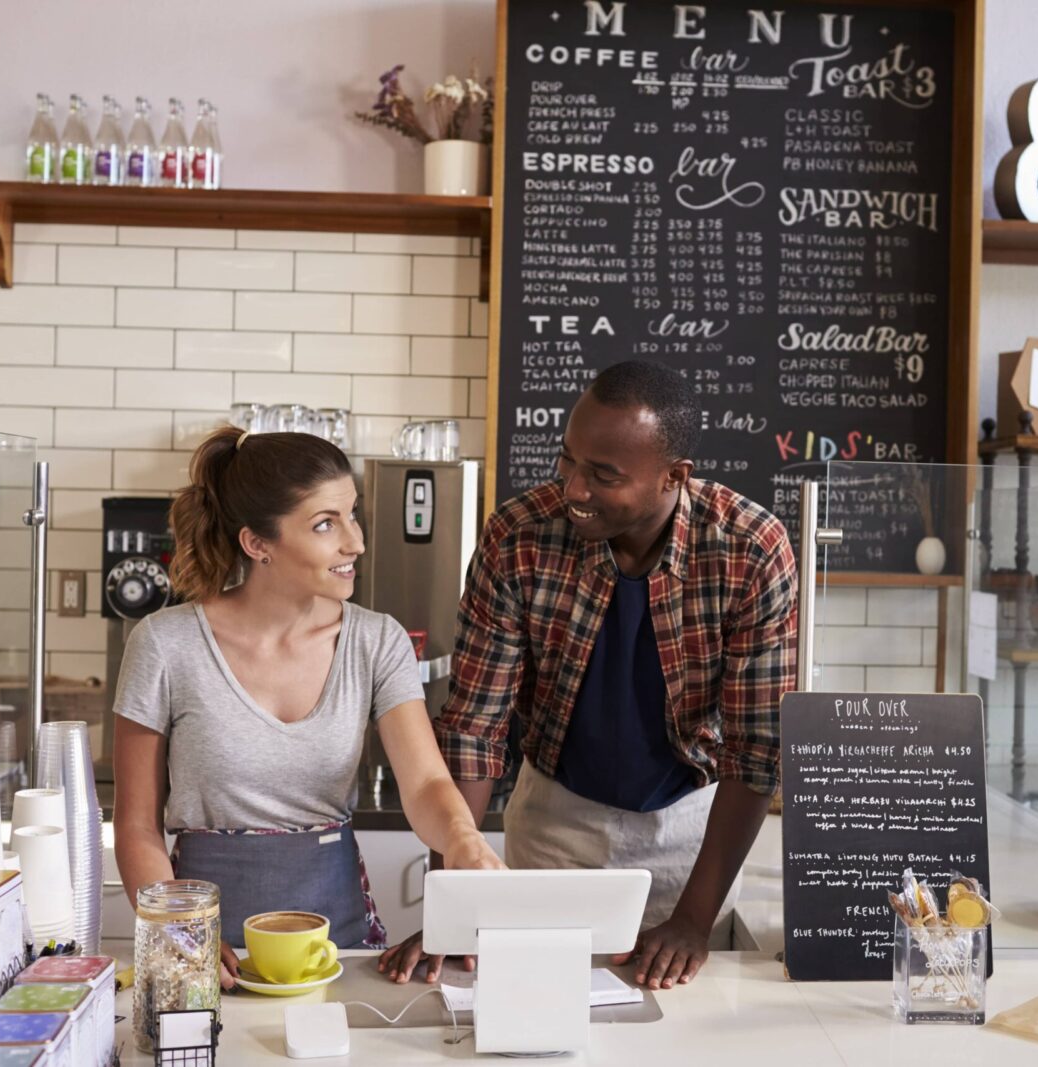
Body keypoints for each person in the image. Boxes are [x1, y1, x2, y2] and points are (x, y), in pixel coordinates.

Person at [382, 360, 798, 989]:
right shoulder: (519, 536)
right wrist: (455, 909)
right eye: (568, 460)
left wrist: (692, 919)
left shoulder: (750, 548)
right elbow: (474, 728)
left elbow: (754, 754)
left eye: (604, 475)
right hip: (555, 821)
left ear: (674, 478)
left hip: (690, 831)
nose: (574, 489)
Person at [114, 426, 502, 989]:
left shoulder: (377, 641)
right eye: (326, 524)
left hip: (337, 947)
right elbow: (136, 825)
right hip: (204, 943)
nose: (356, 542)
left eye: (353, 515)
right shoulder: (164, 644)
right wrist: (182, 929)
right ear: (258, 543)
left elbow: (423, 785)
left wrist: (463, 839)